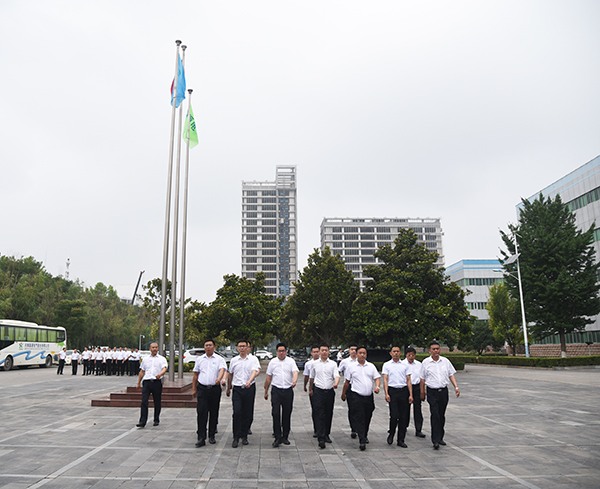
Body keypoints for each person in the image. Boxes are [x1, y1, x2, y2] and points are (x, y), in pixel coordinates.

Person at [420, 341, 460, 450]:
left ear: (440, 350)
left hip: (443, 391)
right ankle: (435, 440)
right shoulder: (426, 362)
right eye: (433, 349)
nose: (436, 350)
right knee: (435, 414)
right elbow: (422, 379)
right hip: (432, 392)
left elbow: (451, 374)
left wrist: (456, 387)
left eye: (437, 348)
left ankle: (440, 436)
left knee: (441, 415)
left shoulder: (445, 361)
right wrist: (422, 392)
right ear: (430, 351)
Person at [341, 347, 380, 451]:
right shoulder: (351, 367)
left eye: (364, 353)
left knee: (367, 416)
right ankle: (362, 440)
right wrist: (343, 394)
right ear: (356, 354)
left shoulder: (371, 366)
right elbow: (347, 381)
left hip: (368, 396)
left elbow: (376, 378)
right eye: (360, 353)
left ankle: (364, 434)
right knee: (360, 416)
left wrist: (377, 387)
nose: (362, 355)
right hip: (356, 395)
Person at [192, 339, 227, 447]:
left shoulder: (219, 359)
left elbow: (222, 369)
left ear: (214, 347)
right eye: (206, 345)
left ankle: (211, 435)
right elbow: (195, 375)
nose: (208, 347)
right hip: (202, 389)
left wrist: (219, 378)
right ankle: (201, 437)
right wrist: (194, 388)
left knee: (213, 412)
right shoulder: (200, 359)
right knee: (201, 412)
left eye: (210, 345)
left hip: (214, 389)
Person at [264, 342, 299, 447]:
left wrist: (294, 381)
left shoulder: (291, 361)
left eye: (283, 351)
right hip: (276, 391)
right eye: (279, 351)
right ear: (276, 352)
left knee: (286, 414)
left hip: (288, 391)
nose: (281, 353)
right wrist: (266, 391)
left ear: (286, 352)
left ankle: (285, 436)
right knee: (275, 413)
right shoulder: (273, 362)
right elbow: (269, 377)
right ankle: (277, 437)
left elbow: (295, 372)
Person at [227, 339, 260, 447]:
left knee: (247, 412)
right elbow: (230, 374)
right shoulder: (234, 360)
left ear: (247, 348)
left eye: (244, 346)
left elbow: (254, 371)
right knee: (237, 412)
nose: (242, 348)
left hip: (249, 388)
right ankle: (236, 437)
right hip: (237, 389)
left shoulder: (253, 359)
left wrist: (249, 381)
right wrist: (228, 387)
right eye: (240, 346)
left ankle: (244, 436)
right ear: (237, 348)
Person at [309, 343, 340, 449]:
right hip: (318, 391)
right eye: (322, 350)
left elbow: (336, 375)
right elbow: (312, 378)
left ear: (328, 352)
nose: (324, 352)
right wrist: (310, 389)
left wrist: (336, 383)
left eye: (326, 350)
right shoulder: (314, 364)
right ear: (319, 352)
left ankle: (326, 434)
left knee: (328, 413)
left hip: (329, 391)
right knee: (319, 413)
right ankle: (321, 437)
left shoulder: (333, 364)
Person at [382, 345, 413, 447]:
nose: (396, 353)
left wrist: (410, 394)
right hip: (393, 391)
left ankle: (401, 440)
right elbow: (385, 380)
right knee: (394, 415)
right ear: (390, 353)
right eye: (394, 351)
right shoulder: (386, 365)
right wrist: (386, 393)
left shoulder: (405, 365)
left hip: (403, 391)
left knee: (403, 417)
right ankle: (391, 433)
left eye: (398, 351)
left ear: (400, 353)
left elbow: (408, 380)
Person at [136, 342, 168, 428]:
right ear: (150, 349)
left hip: (156, 382)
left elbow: (164, 368)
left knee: (157, 401)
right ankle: (142, 421)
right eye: (153, 347)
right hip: (147, 382)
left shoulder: (162, 359)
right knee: (144, 401)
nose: (155, 349)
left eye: (156, 347)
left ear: (158, 349)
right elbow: (142, 371)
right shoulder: (145, 359)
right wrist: (138, 382)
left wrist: (160, 374)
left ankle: (156, 419)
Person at [403, 347, 425, 438]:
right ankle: (404, 426)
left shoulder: (419, 364)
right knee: (405, 409)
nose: (411, 357)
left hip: (416, 387)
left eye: (413, 355)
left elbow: (422, 377)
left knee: (418, 408)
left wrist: (422, 390)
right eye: (409, 355)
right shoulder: (402, 364)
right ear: (406, 355)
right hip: (405, 387)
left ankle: (418, 429)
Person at [338, 344, 358, 438]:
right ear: (349, 351)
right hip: (349, 386)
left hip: (359, 387)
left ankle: (360, 428)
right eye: (352, 349)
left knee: (361, 409)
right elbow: (338, 372)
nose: (354, 351)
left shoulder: (362, 361)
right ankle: (353, 428)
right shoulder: (345, 362)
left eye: (355, 349)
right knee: (352, 408)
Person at [303, 345, 320, 437]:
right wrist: (305, 386)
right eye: (314, 352)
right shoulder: (308, 364)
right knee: (315, 409)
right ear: (311, 353)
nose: (316, 353)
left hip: (322, 386)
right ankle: (316, 429)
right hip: (313, 387)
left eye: (317, 351)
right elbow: (306, 376)